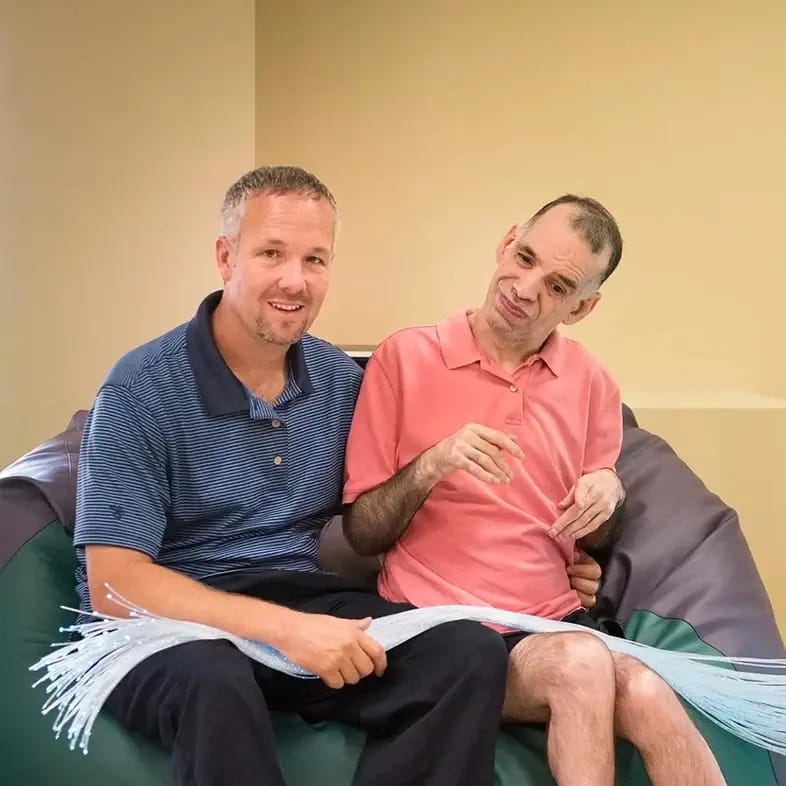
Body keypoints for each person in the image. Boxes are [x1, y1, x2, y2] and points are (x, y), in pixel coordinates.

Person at [72, 165, 514, 786]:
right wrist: (288, 632)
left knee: (466, 650)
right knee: (216, 681)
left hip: (299, 594)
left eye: (315, 260)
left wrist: (565, 552)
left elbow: (394, 502)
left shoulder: (341, 383)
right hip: (167, 624)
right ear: (226, 258)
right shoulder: (140, 388)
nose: (294, 280)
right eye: (271, 254)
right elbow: (114, 585)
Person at [342, 195, 727, 786]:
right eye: (524, 258)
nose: (525, 289)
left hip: (555, 621)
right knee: (580, 665)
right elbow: (362, 532)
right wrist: (432, 464)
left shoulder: (593, 384)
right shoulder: (404, 357)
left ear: (582, 307)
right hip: (442, 630)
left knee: (649, 693)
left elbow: (594, 540)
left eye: (557, 285)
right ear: (506, 243)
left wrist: (608, 492)